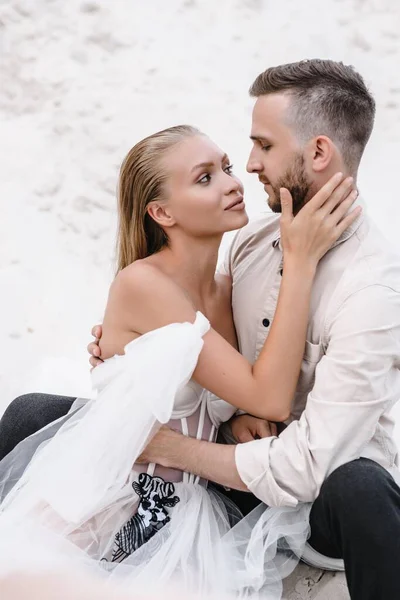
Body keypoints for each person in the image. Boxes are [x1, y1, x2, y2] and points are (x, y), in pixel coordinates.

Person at [0, 124, 357, 598]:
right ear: (162, 212)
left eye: (227, 168)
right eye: (204, 177)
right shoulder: (143, 285)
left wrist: (240, 417)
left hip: (189, 510)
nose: (232, 182)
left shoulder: (228, 292)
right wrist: (300, 262)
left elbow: (246, 398)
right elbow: (269, 395)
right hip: (112, 498)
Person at [89, 60, 400, 600]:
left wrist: (175, 447)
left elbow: (307, 465)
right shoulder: (251, 244)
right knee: (33, 415)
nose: (249, 166)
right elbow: (214, 361)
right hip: (229, 471)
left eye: (262, 146)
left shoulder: (371, 291)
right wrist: (128, 363)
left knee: (363, 487)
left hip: (312, 499)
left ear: (318, 153)